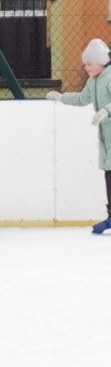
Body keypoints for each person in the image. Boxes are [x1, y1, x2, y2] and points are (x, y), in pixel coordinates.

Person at [46, 37, 111, 234]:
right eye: (85, 64)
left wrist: (106, 112)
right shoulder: (94, 80)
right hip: (105, 136)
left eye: (89, 63)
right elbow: (83, 99)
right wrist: (61, 97)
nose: (86, 67)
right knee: (108, 174)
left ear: (101, 61)